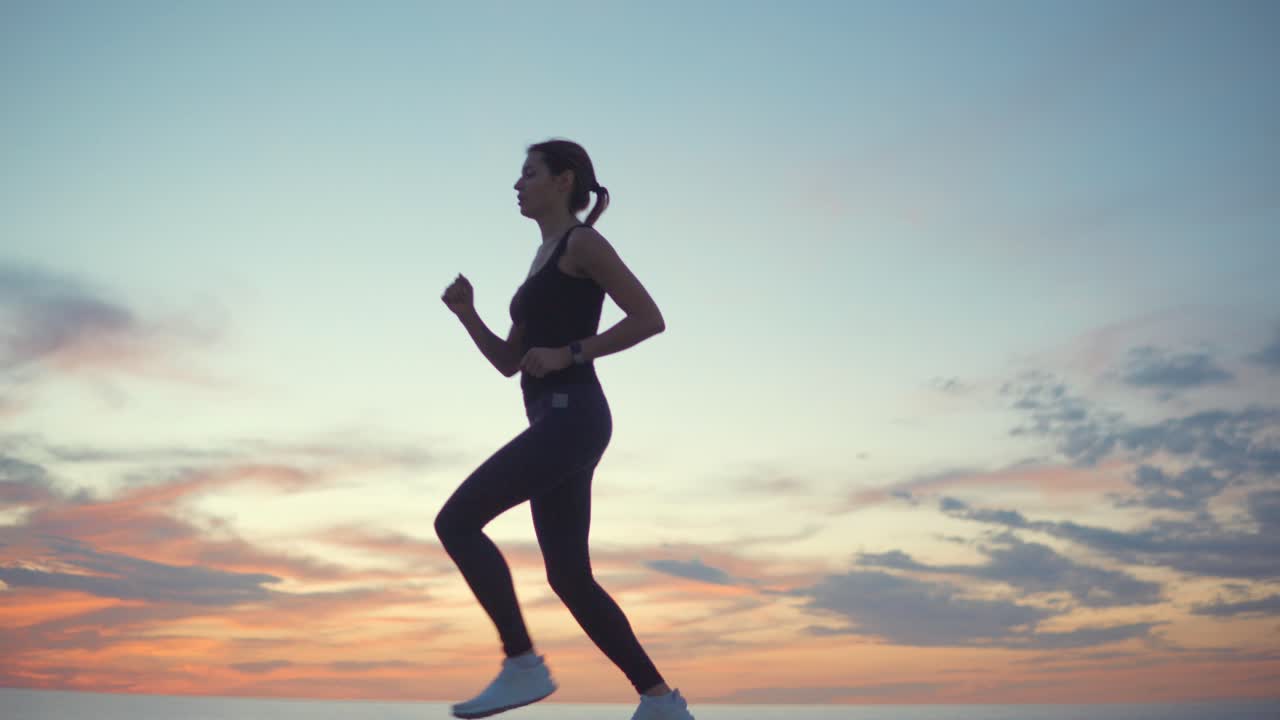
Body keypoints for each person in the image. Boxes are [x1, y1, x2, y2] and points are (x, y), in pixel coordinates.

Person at [436, 139, 696, 720]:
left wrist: (572, 352)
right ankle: (661, 702)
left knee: (455, 521)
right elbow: (510, 363)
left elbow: (649, 319)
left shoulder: (583, 243)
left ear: (563, 180)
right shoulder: (542, 260)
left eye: (529, 173)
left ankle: (522, 663)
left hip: (573, 415)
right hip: (558, 419)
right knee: (570, 578)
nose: (517, 184)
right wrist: (467, 314)